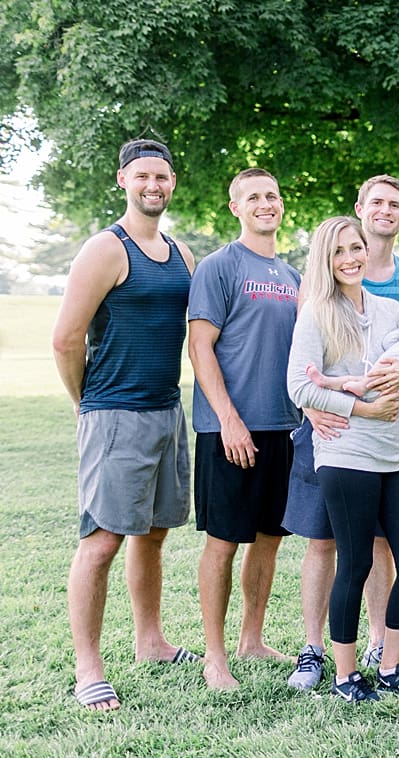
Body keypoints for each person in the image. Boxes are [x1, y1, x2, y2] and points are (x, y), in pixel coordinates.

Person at [52, 139, 198, 711]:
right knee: (101, 540)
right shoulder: (104, 249)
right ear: (123, 180)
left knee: (154, 532)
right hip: (115, 413)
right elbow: (66, 338)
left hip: (166, 409)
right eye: (142, 176)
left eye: (161, 176)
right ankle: (89, 668)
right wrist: (83, 402)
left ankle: (151, 642)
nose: (152, 185)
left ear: (173, 181)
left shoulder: (181, 253)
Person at [287, 216, 399, 702]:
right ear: (325, 260)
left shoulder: (392, 311)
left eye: (356, 247)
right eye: (339, 252)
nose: (350, 258)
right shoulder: (317, 313)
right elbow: (299, 385)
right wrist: (362, 407)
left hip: (396, 456)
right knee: (353, 565)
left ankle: (392, 665)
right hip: (345, 454)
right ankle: (345, 675)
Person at [189, 167, 301, 690]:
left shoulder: (293, 276)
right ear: (235, 207)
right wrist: (229, 420)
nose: (265, 203)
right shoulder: (218, 267)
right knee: (223, 542)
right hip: (228, 431)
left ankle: (251, 639)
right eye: (253, 196)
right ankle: (215, 656)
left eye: (272, 195)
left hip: (283, 428)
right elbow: (199, 347)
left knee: (269, 539)